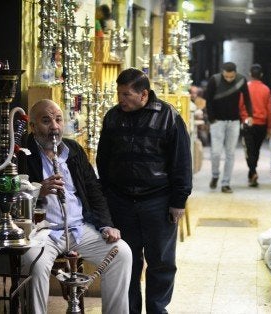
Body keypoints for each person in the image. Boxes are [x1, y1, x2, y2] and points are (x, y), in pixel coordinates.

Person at [21, 99, 132, 314]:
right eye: (46, 121)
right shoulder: (23, 154)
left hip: (78, 229)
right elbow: (11, 195)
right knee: (35, 264)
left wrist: (106, 225)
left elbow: (93, 191)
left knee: (121, 253)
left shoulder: (72, 149)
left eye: (58, 119)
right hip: (43, 233)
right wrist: (38, 191)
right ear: (32, 127)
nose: (54, 126)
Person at [96, 68, 192, 314]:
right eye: (119, 94)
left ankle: (157, 310)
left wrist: (178, 200)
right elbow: (103, 159)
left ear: (144, 94)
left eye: (127, 94)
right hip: (121, 201)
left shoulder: (168, 116)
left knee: (161, 262)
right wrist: (106, 195)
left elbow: (181, 161)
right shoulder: (113, 117)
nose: (121, 100)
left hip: (158, 202)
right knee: (127, 261)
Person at [205, 62, 253, 193]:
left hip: (234, 122)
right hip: (217, 122)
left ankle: (226, 183)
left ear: (235, 73)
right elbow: (208, 100)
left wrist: (250, 115)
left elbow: (247, 98)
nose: (229, 79)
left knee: (230, 153)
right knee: (215, 152)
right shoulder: (214, 80)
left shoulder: (241, 80)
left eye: (231, 77)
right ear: (222, 73)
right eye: (226, 76)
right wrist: (211, 118)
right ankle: (215, 175)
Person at [239, 64, 271, 187]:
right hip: (262, 124)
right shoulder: (266, 89)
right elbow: (269, 109)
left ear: (250, 74)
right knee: (256, 149)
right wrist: (269, 127)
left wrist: (243, 119)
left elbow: (241, 105)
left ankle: (252, 172)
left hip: (248, 122)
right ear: (261, 75)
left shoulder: (245, 88)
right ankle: (252, 173)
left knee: (249, 149)